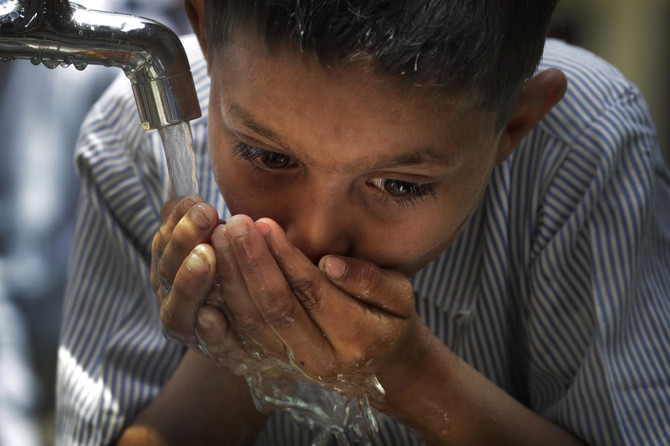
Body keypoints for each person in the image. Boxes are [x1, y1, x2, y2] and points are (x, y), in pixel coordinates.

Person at [56, 0, 670, 444]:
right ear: (206, 29)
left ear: (514, 125)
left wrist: (409, 372)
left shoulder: (582, 151)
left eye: (400, 185)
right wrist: (238, 357)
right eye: (268, 157)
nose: (315, 236)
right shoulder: (142, 141)